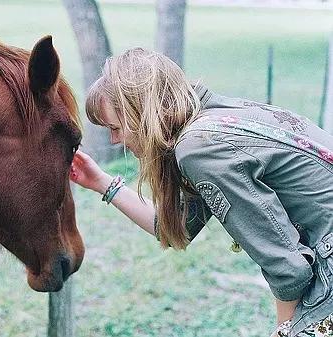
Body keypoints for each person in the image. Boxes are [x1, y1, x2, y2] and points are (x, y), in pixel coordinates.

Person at [70, 48, 333, 337]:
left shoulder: (201, 147)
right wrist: (100, 182)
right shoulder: (209, 122)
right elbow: (176, 227)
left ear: (142, 112)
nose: (115, 140)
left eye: (116, 127)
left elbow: (288, 269)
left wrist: (284, 330)